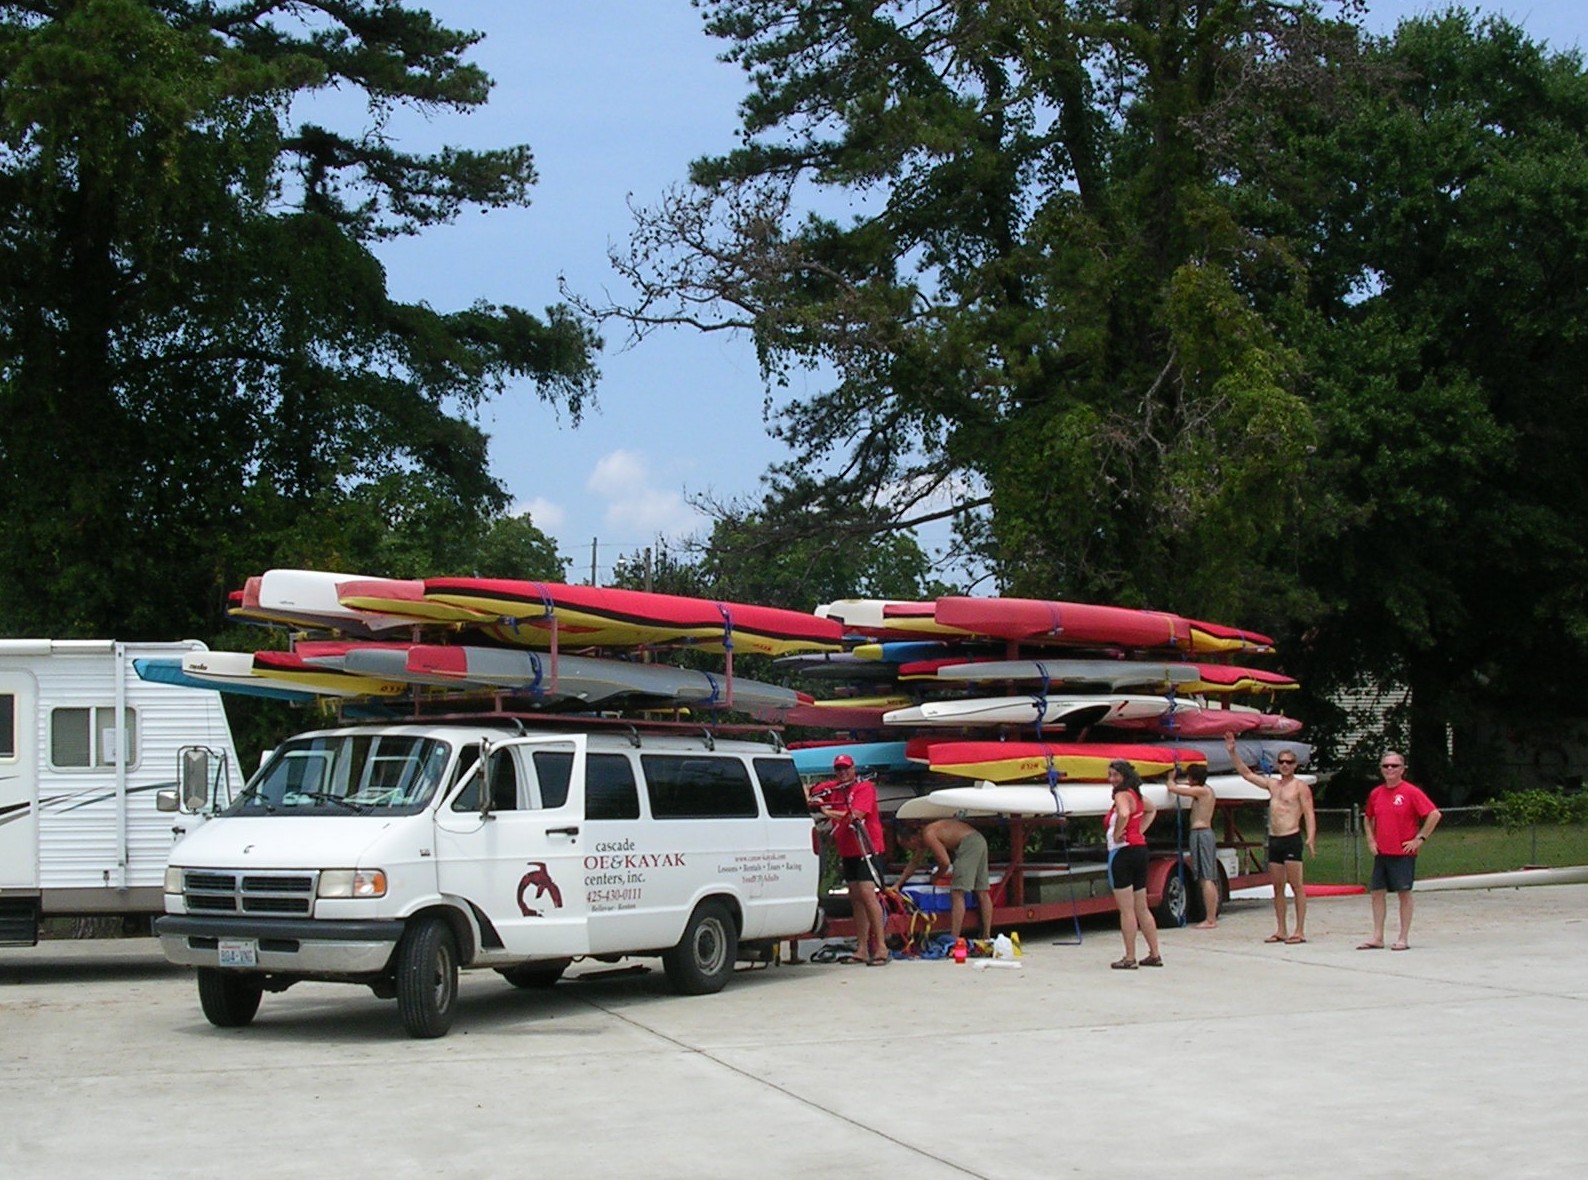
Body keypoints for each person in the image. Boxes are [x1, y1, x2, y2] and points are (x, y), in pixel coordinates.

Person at [1226, 733, 1315, 944]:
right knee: (1278, 887)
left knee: (1297, 885)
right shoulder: (1273, 785)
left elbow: (1309, 813)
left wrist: (1311, 837)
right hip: (1275, 839)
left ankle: (1299, 930)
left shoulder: (1300, 787)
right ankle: (1281, 929)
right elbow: (1247, 774)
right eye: (1281, 761)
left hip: (1291, 837)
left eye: (1289, 762)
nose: (1284, 765)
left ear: (1295, 765)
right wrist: (1232, 752)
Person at [1359, 752, 1442, 951]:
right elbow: (1368, 817)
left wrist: (1419, 839)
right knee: (1377, 893)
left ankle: (1403, 937)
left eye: (1394, 766)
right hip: (1382, 852)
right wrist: (1371, 840)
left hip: (1402, 853)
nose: (1390, 769)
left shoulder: (1411, 792)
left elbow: (1434, 814)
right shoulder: (1376, 793)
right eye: (1386, 766)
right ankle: (1378, 936)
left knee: (1403, 893)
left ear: (1403, 769)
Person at [813, 754, 890, 965]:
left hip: (867, 848)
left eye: (846, 768)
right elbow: (814, 792)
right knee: (856, 896)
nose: (843, 772)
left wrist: (827, 812)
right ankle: (862, 948)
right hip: (848, 851)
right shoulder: (834, 788)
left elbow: (856, 815)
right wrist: (816, 800)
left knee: (867, 894)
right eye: (839, 769)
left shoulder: (864, 788)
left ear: (854, 768)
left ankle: (881, 947)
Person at [893, 818, 994, 943]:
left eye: (906, 846)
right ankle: (986, 936)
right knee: (981, 891)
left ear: (912, 839)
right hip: (978, 840)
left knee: (957, 892)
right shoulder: (924, 837)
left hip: (968, 844)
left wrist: (935, 877)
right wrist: (898, 884)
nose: (908, 850)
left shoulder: (928, 834)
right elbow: (914, 862)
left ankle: (954, 937)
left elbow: (945, 862)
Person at [1106, 760, 1162, 969]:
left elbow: (1123, 813)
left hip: (1122, 852)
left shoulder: (1121, 795)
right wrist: (1138, 831)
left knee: (1126, 910)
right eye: (1110, 775)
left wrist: (1119, 832)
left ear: (1124, 776)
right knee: (1142, 907)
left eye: (1115, 775)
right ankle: (1154, 953)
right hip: (1140, 850)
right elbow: (1152, 809)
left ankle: (1130, 957)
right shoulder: (1136, 795)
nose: (1112, 779)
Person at [1165, 762, 1220, 928]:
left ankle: (1210, 919)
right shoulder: (1205, 789)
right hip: (1201, 834)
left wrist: (1170, 777)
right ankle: (1211, 917)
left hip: (1201, 834)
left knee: (1206, 877)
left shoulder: (1201, 791)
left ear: (1194, 779)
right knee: (1204, 877)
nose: (1187, 780)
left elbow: (1173, 789)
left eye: (1189, 777)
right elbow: (1184, 786)